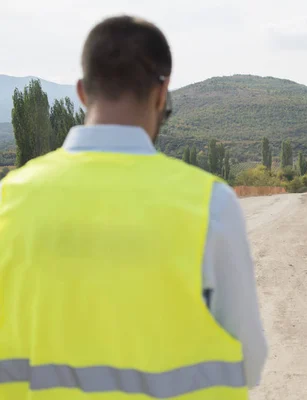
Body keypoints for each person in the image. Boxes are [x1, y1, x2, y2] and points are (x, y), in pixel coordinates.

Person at [0, 15, 267, 399]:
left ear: (81, 92)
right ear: (162, 94)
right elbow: (250, 358)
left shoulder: (10, 198)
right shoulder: (210, 203)